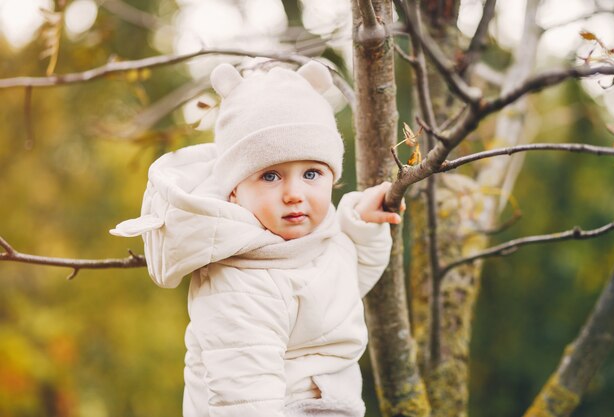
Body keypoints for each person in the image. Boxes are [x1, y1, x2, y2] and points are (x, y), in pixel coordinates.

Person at [110, 60, 399, 417]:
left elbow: (343, 289)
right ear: (234, 192)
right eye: (270, 176)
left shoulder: (320, 240)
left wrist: (361, 224)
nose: (294, 193)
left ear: (333, 179)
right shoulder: (238, 279)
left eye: (311, 173)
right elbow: (244, 400)